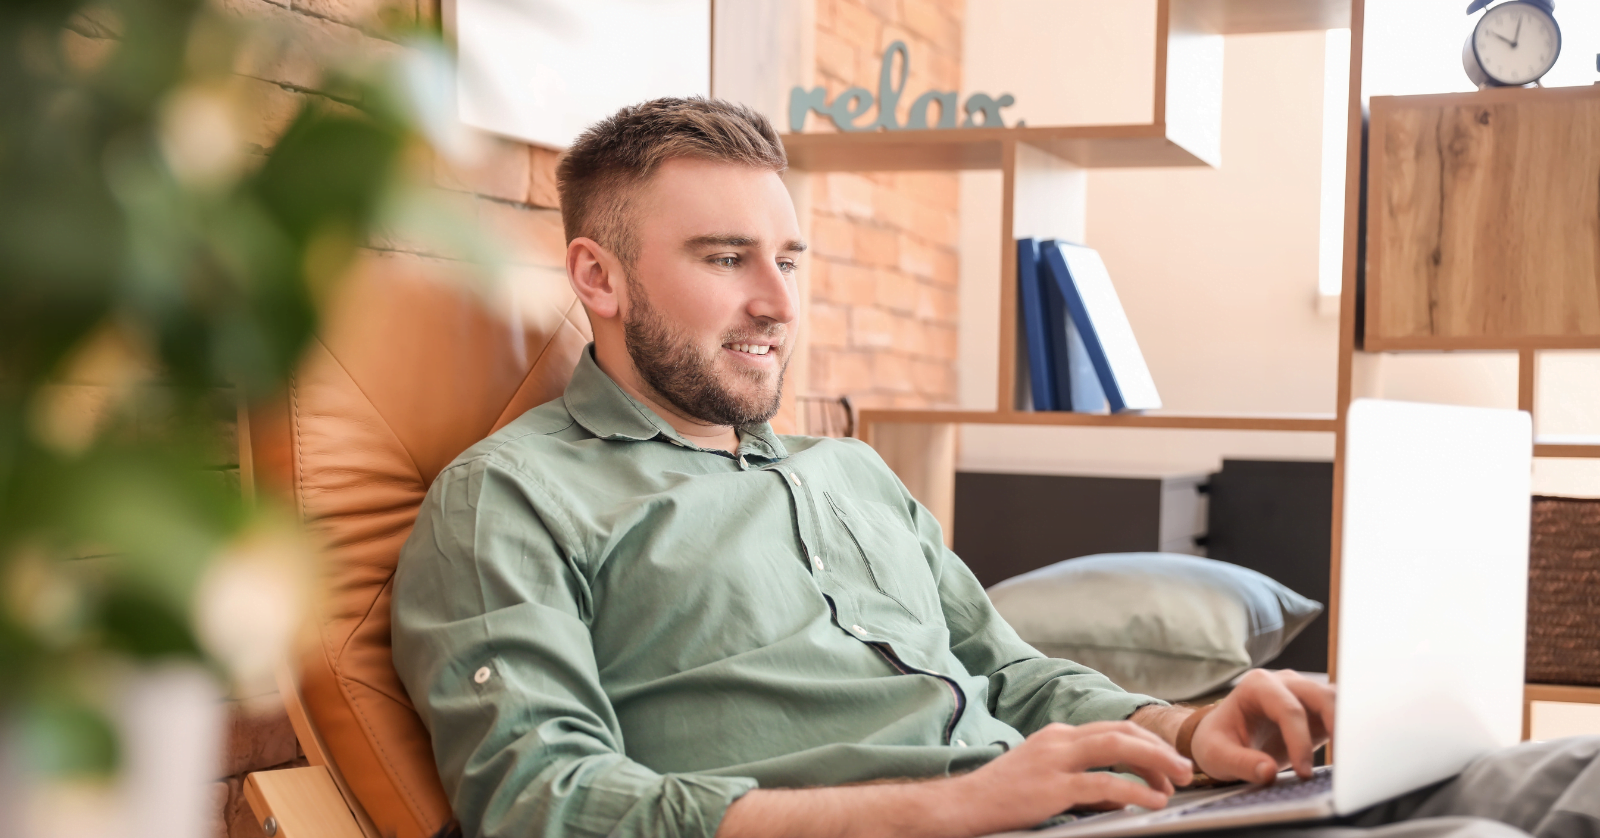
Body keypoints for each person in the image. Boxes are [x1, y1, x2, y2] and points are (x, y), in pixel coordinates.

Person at [391, 98, 1598, 838]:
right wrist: (953, 804)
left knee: (1567, 773)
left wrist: (1185, 726)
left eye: (791, 260)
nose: (775, 302)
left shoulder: (846, 472)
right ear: (597, 278)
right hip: (938, 831)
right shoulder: (510, 497)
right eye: (723, 258)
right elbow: (540, 804)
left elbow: (1007, 673)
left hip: (1071, 814)